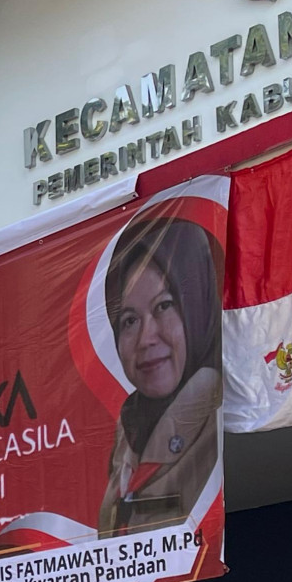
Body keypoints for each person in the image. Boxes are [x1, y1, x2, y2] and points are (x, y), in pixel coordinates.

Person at [96, 212, 222, 536]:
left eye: (164, 306)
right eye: (129, 320)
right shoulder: (127, 431)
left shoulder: (223, 415)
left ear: (195, 306)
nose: (145, 338)